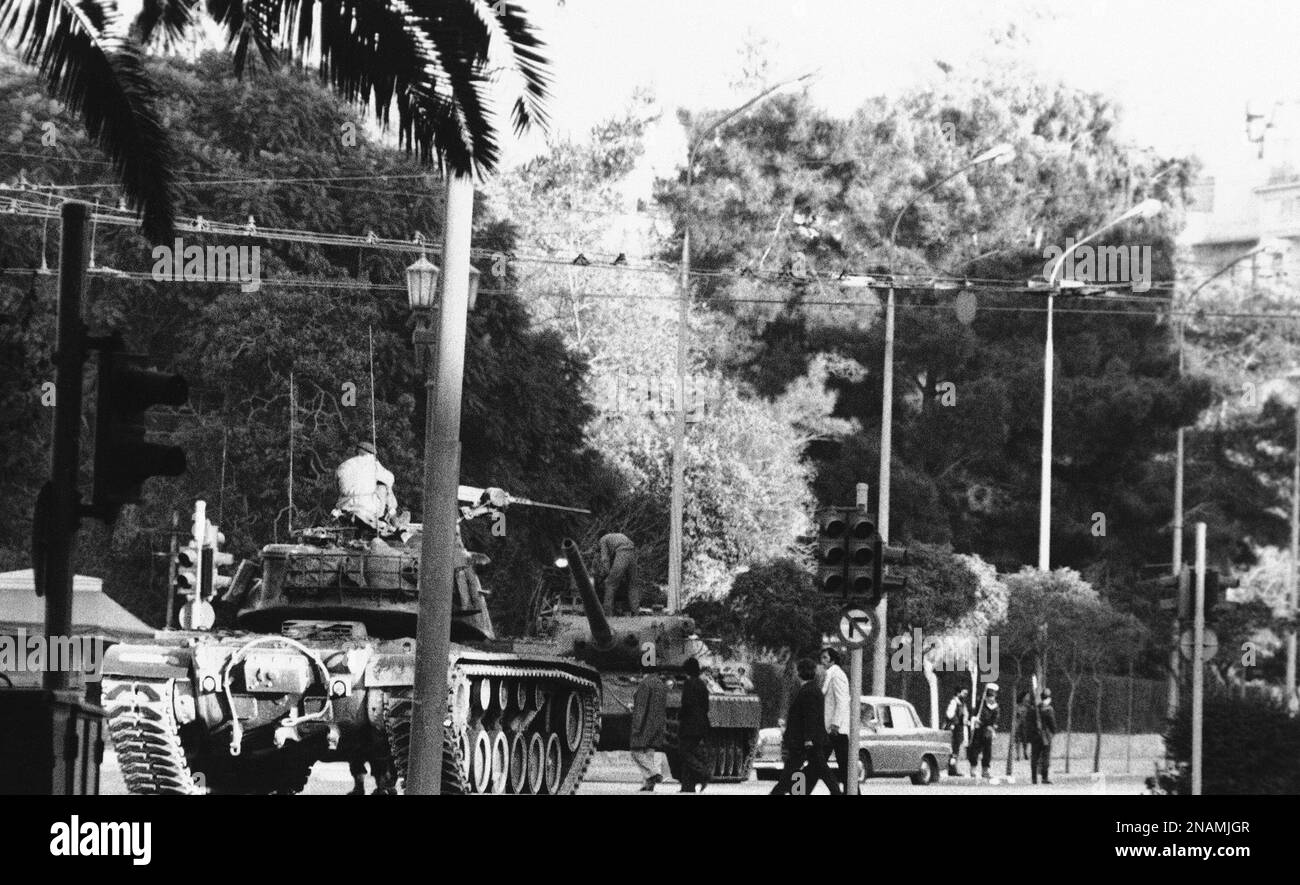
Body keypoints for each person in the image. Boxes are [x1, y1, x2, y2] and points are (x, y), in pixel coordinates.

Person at [769, 658, 843, 796]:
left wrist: (808, 738)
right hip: (806, 740)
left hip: (805, 741)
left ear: (799, 673)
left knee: (810, 770)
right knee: (818, 769)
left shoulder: (808, 692)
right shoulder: (812, 690)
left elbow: (810, 717)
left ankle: (835, 792)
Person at [335, 442, 397, 535]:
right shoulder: (374, 464)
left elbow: (337, 487)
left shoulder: (343, 465)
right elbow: (390, 479)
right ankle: (393, 518)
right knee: (384, 486)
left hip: (344, 506)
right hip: (368, 508)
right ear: (371, 454)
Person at [676, 657, 712, 793]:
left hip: (690, 724)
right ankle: (687, 786)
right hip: (701, 724)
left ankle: (704, 773)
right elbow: (706, 706)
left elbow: (686, 704)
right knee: (688, 751)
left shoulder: (689, 684)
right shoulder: (702, 684)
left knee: (684, 752)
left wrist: (680, 716)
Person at [630, 669, 668, 792]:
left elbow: (641, 708)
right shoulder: (661, 684)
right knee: (649, 753)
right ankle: (648, 785)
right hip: (658, 724)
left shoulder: (645, 684)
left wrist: (636, 727)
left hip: (645, 725)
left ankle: (654, 773)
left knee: (636, 752)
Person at [819, 647, 850, 789]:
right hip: (830, 729)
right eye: (822, 658)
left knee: (842, 765)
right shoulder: (829, 675)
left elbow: (842, 700)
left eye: (825, 658)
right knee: (821, 764)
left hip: (836, 730)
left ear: (833, 659)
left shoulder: (836, 675)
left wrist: (836, 724)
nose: (822, 661)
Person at [596, 532, 638, 614]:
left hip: (622, 552)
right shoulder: (615, 536)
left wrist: (607, 573)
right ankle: (635, 611)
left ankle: (607, 612)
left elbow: (605, 559)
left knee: (609, 583)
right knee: (632, 584)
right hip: (632, 552)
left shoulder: (603, 540)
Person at [966, 683, 999, 780]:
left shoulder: (996, 707)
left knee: (987, 751)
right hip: (979, 730)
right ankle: (973, 770)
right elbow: (974, 714)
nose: (991, 698)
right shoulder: (980, 704)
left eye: (993, 696)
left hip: (988, 731)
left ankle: (985, 770)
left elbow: (995, 720)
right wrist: (974, 719)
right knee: (975, 750)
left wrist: (992, 728)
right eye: (989, 696)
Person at [1027, 688, 1058, 785]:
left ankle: (1034, 779)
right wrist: (1053, 732)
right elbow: (1052, 725)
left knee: (1034, 757)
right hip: (1045, 737)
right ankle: (1044, 777)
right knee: (1045, 757)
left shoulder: (1034, 709)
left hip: (1035, 737)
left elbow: (1030, 723)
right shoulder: (1048, 709)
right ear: (1049, 698)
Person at [945, 687, 971, 776]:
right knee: (953, 749)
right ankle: (951, 768)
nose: (965, 696)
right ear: (958, 693)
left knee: (956, 749)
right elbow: (950, 715)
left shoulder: (962, 704)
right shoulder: (954, 702)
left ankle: (953, 768)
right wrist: (957, 722)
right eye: (963, 693)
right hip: (954, 729)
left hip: (960, 729)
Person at [1014, 690, 1033, 760]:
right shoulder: (1017, 706)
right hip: (1018, 724)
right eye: (1027, 696)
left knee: (1025, 739)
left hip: (1026, 725)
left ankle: (1025, 753)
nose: (1028, 698)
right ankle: (1018, 755)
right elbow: (1015, 715)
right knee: (1018, 740)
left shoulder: (1029, 706)